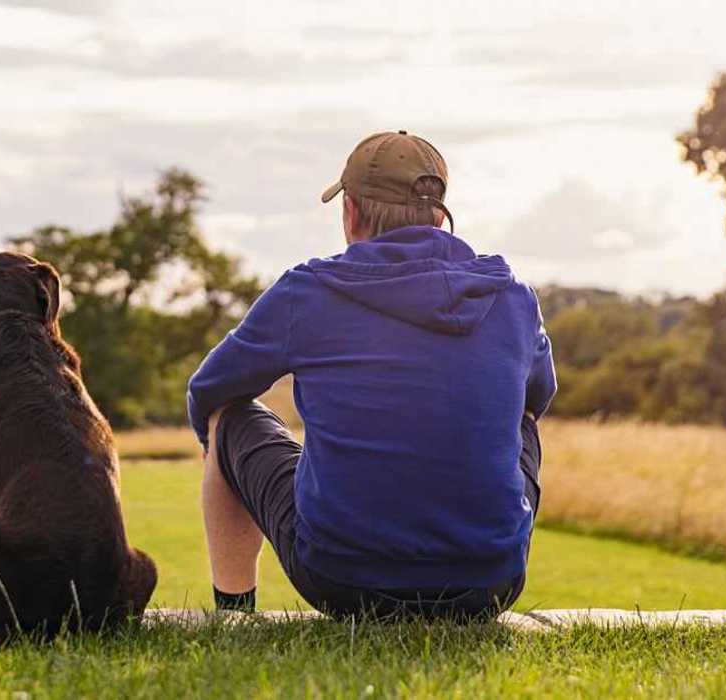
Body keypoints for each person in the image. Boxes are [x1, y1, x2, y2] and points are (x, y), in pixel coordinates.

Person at [186, 131, 556, 620]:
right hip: (490, 584)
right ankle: (474, 545)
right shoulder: (513, 296)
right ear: (438, 215)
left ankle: (233, 614)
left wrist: (225, 450)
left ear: (352, 211)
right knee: (523, 415)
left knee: (226, 414)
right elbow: (538, 397)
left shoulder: (308, 291)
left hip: (342, 579)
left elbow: (210, 389)